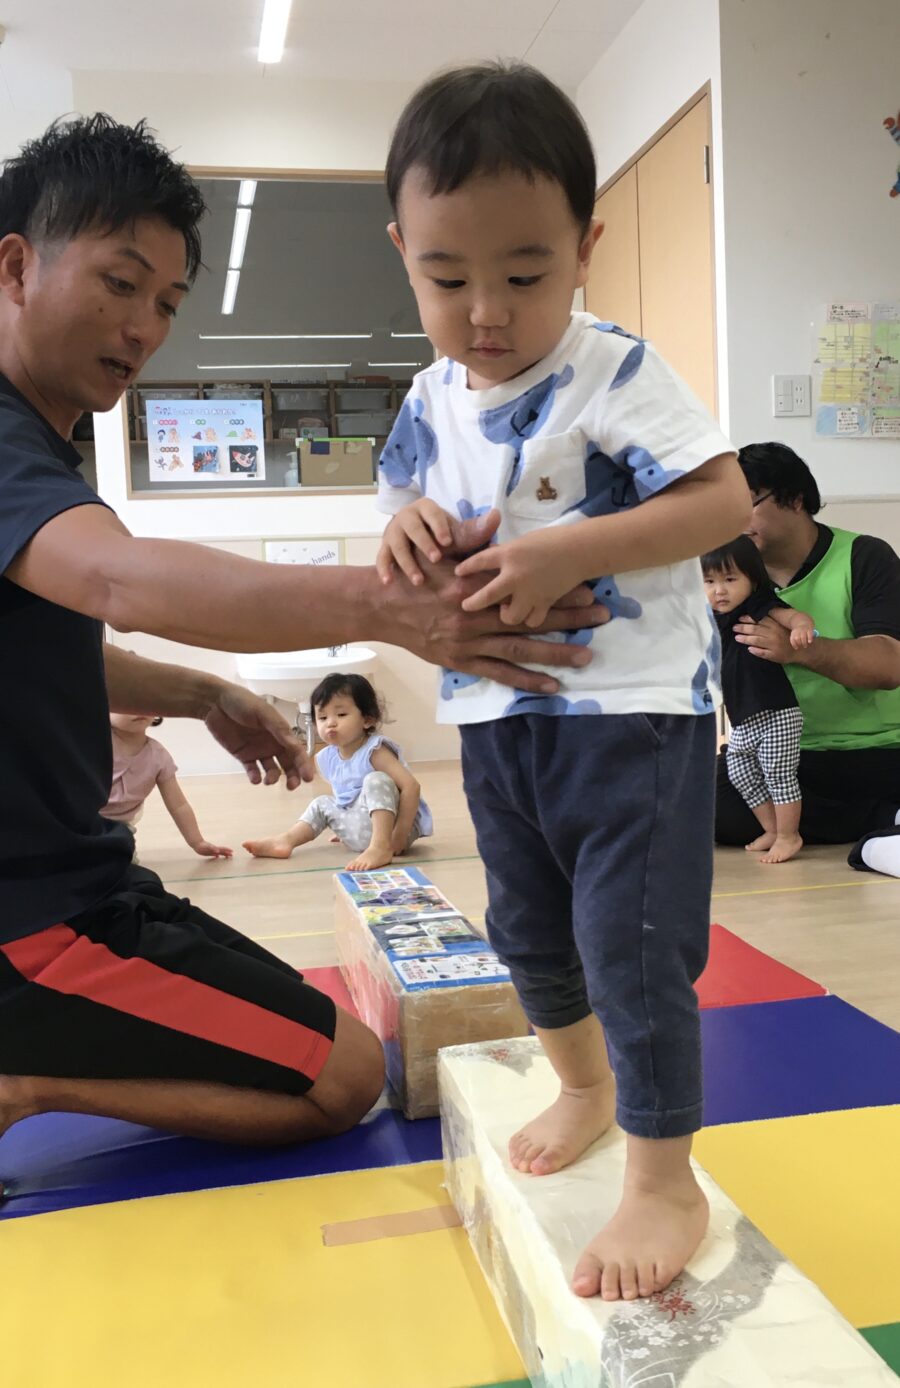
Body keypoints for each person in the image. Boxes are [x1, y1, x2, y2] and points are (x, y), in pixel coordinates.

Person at [0, 115, 610, 1166]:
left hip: (86, 883)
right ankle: (22, 1082)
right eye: (120, 283)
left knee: (316, 1033)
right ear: (16, 266)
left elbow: (45, 649)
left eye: (168, 303)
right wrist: (394, 609)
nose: (143, 327)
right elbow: (116, 579)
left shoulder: (45, 445)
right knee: (346, 1076)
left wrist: (206, 693)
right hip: (29, 923)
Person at [376, 61, 750, 1302]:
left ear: (585, 248)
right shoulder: (430, 396)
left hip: (629, 716)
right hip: (498, 718)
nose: (486, 312)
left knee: (630, 945)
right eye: (449, 278)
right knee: (528, 930)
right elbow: (401, 494)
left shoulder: (613, 370)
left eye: (526, 275)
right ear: (403, 252)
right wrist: (401, 525)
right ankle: (582, 1084)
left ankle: (665, 1175)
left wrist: (564, 550)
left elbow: (721, 499)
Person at [715, 442, 900, 847]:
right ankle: (884, 817)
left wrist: (798, 649)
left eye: (747, 504)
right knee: (706, 797)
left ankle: (861, 816)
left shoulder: (864, 556)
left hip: (874, 748)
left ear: (795, 499)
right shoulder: (731, 578)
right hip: (780, 752)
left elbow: (889, 664)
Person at [701, 537, 815, 864]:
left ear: (752, 579)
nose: (719, 591)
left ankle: (789, 836)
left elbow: (792, 616)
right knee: (739, 772)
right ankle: (772, 829)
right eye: (709, 582)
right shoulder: (709, 619)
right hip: (743, 718)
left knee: (778, 775)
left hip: (777, 712)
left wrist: (802, 627)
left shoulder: (756, 604)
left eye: (730, 579)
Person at [243, 673, 432, 870]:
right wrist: (345, 824)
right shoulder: (326, 758)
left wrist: (400, 834)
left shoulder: (375, 750)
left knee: (376, 780)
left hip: (392, 832)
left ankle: (379, 847)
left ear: (367, 720)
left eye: (341, 715)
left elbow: (411, 787)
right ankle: (285, 840)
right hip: (361, 833)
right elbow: (344, 797)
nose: (330, 723)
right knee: (321, 803)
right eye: (322, 717)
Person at [103, 713, 232, 859]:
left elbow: (179, 806)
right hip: (84, 821)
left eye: (144, 703)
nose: (137, 710)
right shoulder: (94, 745)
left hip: (120, 828)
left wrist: (197, 842)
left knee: (120, 860)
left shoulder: (158, 756)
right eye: (126, 705)